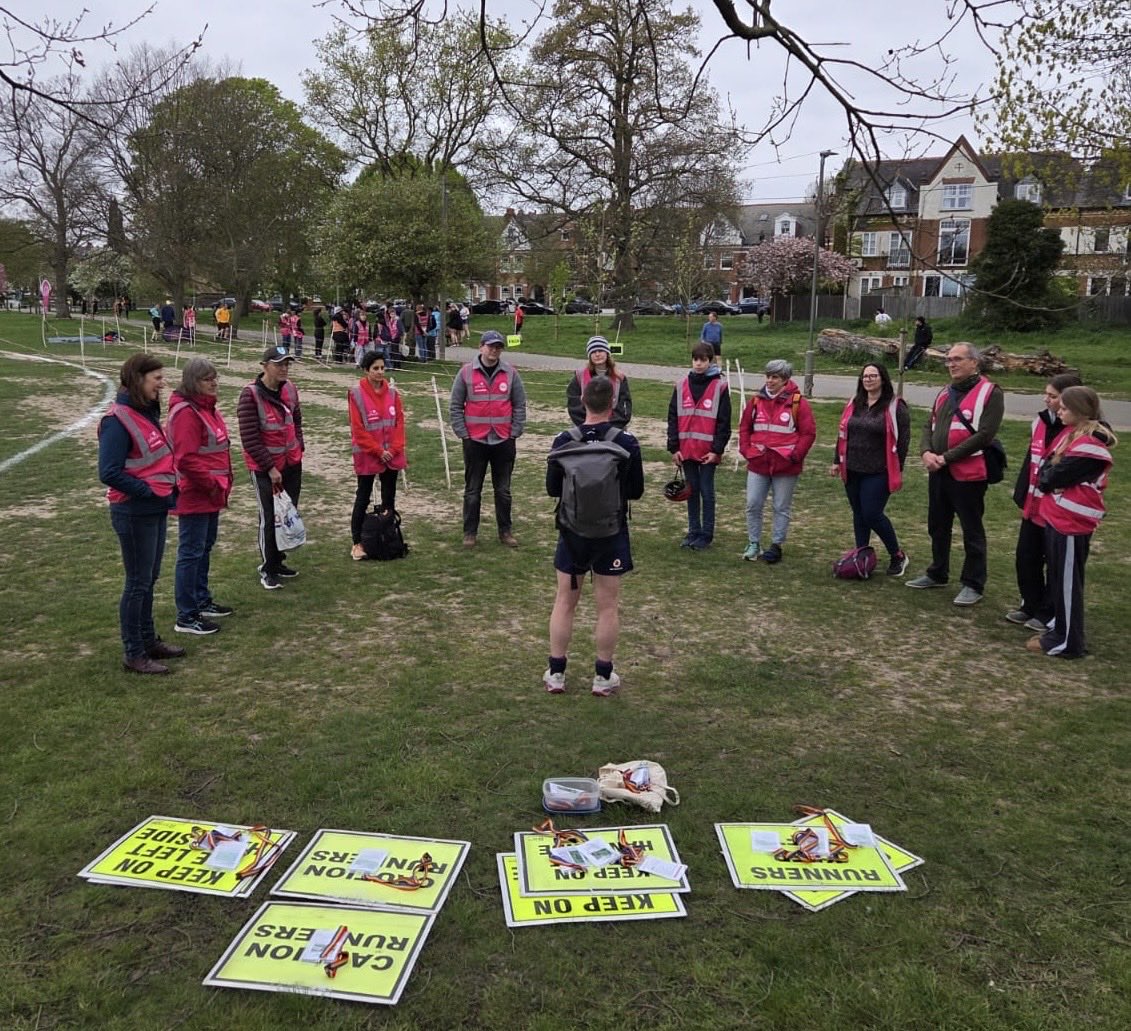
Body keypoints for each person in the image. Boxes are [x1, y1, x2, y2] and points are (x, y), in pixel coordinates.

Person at [544, 376, 644, 696]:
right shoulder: (626, 443)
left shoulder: (563, 441)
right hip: (610, 532)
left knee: (564, 602)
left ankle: (556, 672)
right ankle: (603, 675)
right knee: (607, 606)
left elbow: (551, 489)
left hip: (572, 531)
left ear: (582, 402)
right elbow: (636, 491)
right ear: (612, 404)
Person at [98, 353, 183, 674]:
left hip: (155, 508)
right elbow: (108, 471)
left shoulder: (144, 411)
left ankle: (149, 641)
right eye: (157, 379)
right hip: (133, 511)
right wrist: (148, 491)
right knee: (137, 583)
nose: (162, 384)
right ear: (138, 379)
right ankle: (134, 652)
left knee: (148, 580)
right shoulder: (116, 420)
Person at [906, 342, 1004, 605]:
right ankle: (938, 572)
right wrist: (926, 451)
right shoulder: (945, 391)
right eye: (948, 359)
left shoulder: (990, 392)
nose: (951, 364)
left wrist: (945, 458)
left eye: (957, 359)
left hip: (968, 473)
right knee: (937, 524)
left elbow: (985, 434)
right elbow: (930, 424)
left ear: (975, 362)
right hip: (938, 471)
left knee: (971, 529)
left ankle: (973, 582)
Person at [1028, 387, 1115, 659]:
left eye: (1064, 407)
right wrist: (1049, 471)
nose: (1059, 411)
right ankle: (1061, 625)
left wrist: (1049, 473)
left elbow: (1051, 477)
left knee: (1067, 582)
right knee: (1058, 577)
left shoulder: (1088, 445)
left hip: (1071, 522)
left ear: (1079, 410)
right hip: (1058, 517)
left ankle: (1068, 641)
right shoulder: (1074, 437)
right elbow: (1047, 468)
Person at [1006, 373, 1083, 630]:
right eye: (1046, 394)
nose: (1046, 400)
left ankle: (1050, 611)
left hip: (1060, 509)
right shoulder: (1040, 421)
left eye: (1052, 396)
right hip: (1033, 503)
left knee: (1056, 561)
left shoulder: (1081, 430)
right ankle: (1030, 604)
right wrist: (1022, 495)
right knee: (1026, 556)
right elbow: (1031, 461)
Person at [166, 358, 234, 635]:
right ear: (194, 382)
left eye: (215, 377)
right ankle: (186, 614)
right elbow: (186, 459)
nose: (214, 383)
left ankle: (201, 599)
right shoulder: (186, 413)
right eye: (208, 379)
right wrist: (211, 483)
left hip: (211, 491)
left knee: (204, 547)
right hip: (196, 493)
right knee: (191, 552)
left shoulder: (207, 408)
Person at [829, 363, 911, 575]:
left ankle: (897, 555)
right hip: (852, 468)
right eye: (865, 376)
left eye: (873, 376)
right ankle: (862, 554)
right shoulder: (854, 403)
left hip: (879, 470)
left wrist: (897, 469)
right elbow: (842, 433)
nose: (868, 380)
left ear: (882, 379)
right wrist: (836, 461)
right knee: (858, 513)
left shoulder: (895, 406)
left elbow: (902, 441)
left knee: (872, 513)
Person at [449, 330, 527, 548]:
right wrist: (462, 433)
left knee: (503, 491)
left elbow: (519, 404)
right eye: (491, 346)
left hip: (503, 440)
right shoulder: (465, 373)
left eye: (498, 347)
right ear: (481, 347)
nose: (494, 350)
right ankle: (470, 533)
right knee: (473, 490)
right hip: (475, 441)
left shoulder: (511, 373)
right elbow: (455, 405)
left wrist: (515, 431)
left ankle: (505, 531)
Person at [238, 345, 304, 590]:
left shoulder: (291, 390)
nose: (284, 368)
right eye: (279, 364)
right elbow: (250, 438)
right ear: (265, 366)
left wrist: (300, 448)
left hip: (291, 463)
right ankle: (267, 567)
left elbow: (297, 421)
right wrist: (269, 467)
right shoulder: (250, 395)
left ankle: (278, 561)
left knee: (287, 514)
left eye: (287, 364)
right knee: (269, 517)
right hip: (266, 469)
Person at [738, 358, 816, 563]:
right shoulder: (756, 401)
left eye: (775, 377)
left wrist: (795, 455)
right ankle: (753, 542)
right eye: (768, 376)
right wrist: (746, 449)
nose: (770, 381)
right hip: (758, 462)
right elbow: (745, 427)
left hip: (785, 464)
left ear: (785, 380)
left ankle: (776, 545)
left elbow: (808, 433)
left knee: (781, 506)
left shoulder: (798, 402)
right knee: (753, 504)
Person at [666, 342, 731, 550]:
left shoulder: (720, 387)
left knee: (706, 491)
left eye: (703, 360)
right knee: (690, 491)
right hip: (686, 450)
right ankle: (693, 531)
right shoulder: (681, 385)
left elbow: (724, 422)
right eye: (695, 359)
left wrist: (717, 450)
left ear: (710, 361)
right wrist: (674, 447)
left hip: (708, 452)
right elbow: (673, 417)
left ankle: (706, 534)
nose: (699, 364)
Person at [349, 351, 406, 560]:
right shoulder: (356, 394)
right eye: (375, 368)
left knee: (389, 498)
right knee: (362, 497)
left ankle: (387, 535)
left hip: (392, 455)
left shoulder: (393, 394)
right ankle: (357, 541)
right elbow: (358, 428)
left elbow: (399, 424)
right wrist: (378, 451)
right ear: (366, 370)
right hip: (368, 454)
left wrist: (393, 450)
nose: (380, 372)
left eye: (382, 368)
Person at [566, 335, 633, 429]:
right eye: (593, 352)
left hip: (613, 429)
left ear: (607, 353)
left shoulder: (619, 378)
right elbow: (574, 405)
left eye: (600, 351)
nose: (597, 354)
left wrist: (609, 428)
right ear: (589, 356)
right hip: (585, 428)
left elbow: (624, 407)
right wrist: (588, 426)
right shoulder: (579, 377)